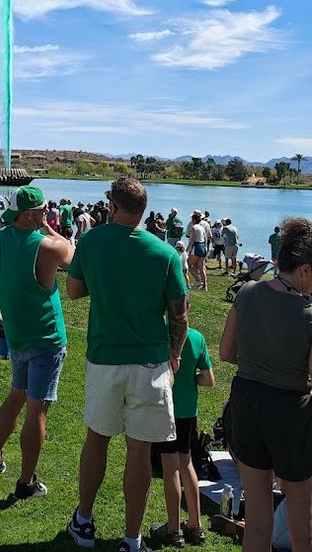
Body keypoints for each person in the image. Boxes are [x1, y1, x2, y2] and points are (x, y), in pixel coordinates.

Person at [66, 177, 188, 552]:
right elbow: (180, 316)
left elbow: (73, 291)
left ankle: (83, 521)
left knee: (96, 439)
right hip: (150, 363)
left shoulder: (91, 241)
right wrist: (175, 353)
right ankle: (132, 540)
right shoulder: (165, 253)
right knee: (139, 452)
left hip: (105, 358)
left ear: (112, 207)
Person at [219, 217, 312, 552]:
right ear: (305, 270)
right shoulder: (308, 312)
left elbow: (227, 352)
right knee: (303, 529)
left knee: (258, 521)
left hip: (246, 403)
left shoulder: (247, 293)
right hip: (290, 412)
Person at [0, 186, 74, 500]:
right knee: (37, 409)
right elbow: (72, 256)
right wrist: (49, 229)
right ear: (31, 214)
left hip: (17, 335)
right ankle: (26, 482)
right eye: (43, 210)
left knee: (16, 395)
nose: (47, 213)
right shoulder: (46, 246)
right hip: (46, 337)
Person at [150, 317, 215, 548]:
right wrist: (190, 378)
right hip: (189, 412)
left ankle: (173, 529)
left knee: (170, 468)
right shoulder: (197, 338)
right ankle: (195, 526)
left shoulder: (160, 334)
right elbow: (208, 379)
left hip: (167, 408)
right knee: (186, 463)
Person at [186, 212, 208, 291]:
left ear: (194, 220)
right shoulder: (202, 227)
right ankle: (204, 285)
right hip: (203, 246)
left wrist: (187, 250)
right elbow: (205, 238)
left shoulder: (194, 227)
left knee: (188, 264)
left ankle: (198, 281)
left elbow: (192, 239)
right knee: (201, 267)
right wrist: (206, 247)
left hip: (197, 246)